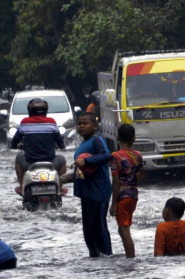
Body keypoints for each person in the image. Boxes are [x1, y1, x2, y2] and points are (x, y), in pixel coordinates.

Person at [65, 112, 113, 257]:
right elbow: (82, 170)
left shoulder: (96, 140)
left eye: (85, 123)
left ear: (95, 126)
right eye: (79, 123)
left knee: (99, 225)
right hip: (86, 192)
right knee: (88, 228)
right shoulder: (82, 145)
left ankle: (108, 256)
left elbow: (106, 155)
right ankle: (94, 257)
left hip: (99, 191)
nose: (81, 126)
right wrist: (65, 178)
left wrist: (86, 161)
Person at [10, 98, 67, 195]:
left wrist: (15, 146)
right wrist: (60, 146)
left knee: (18, 157)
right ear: (45, 110)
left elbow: (14, 142)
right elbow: (60, 142)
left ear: (30, 110)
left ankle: (21, 187)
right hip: (51, 162)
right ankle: (60, 187)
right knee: (62, 159)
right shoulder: (52, 122)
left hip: (29, 162)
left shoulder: (24, 122)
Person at [109, 124, 143, 258]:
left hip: (122, 197)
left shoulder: (115, 156)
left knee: (124, 229)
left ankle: (131, 259)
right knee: (124, 227)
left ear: (117, 138)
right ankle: (130, 257)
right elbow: (139, 175)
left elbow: (116, 180)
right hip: (134, 195)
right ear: (134, 139)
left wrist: (113, 204)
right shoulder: (138, 155)